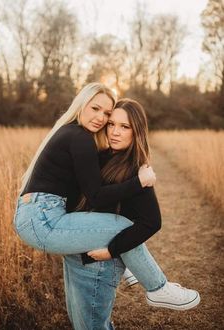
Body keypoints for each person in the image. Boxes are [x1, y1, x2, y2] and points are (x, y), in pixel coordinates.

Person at [13, 84, 199, 329]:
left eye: (107, 115)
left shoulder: (79, 138)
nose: (102, 120)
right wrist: (139, 182)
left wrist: (116, 250)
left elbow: (148, 219)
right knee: (120, 226)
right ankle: (157, 287)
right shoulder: (80, 137)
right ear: (81, 104)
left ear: (136, 131)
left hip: (37, 216)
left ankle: (143, 276)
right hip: (43, 219)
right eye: (96, 109)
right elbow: (97, 197)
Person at [63, 98, 201, 329]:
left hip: (98, 262)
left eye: (125, 127)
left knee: (91, 326)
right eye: (112, 124)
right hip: (75, 256)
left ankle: (156, 286)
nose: (115, 132)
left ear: (136, 132)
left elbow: (152, 222)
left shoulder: (134, 168)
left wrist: (111, 251)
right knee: (81, 322)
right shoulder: (100, 155)